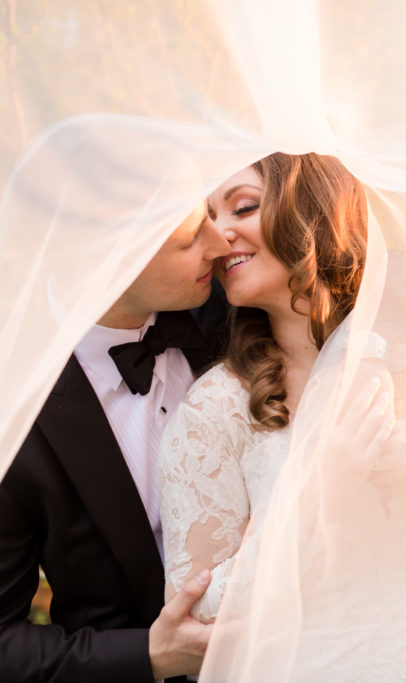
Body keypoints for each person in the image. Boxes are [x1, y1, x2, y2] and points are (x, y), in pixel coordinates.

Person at [159, 152, 406, 681]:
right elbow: (199, 614)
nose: (219, 235)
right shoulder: (216, 407)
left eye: (243, 207)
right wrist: (316, 495)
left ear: (312, 209)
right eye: (210, 218)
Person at [0, 203, 233, 682]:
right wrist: (149, 655)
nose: (221, 243)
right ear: (106, 254)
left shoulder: (236, 307)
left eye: (211, 213)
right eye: (190, 238)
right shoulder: (15, 409)